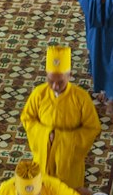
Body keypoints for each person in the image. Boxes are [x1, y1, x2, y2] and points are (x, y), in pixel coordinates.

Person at [23, 46, 102, 185]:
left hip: (69, 162)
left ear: (69, 75)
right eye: (50, 80)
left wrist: (62, 139)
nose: (54, 86)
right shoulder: (39, 93)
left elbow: (92, 128)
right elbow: (27, 118)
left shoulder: (81, 98)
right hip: (43, 157)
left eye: (60, 82)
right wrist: (46, 134)